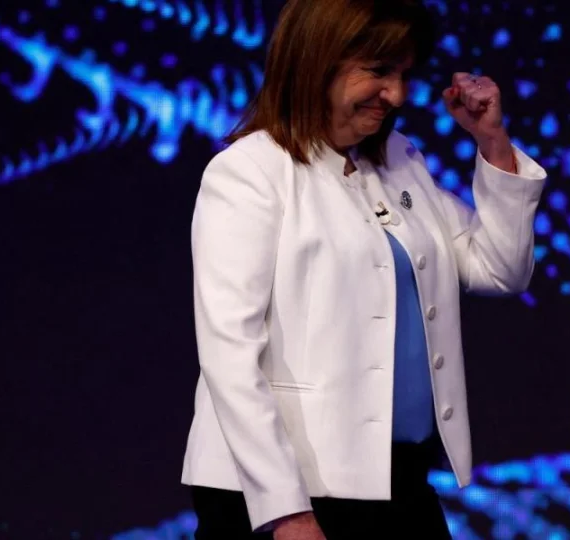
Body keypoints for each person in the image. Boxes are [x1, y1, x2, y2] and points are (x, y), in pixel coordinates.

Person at [180, 0, 548, 538]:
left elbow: (500, 269)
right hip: (280, 492)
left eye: (403, 75)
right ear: (317, 61)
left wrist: (492, 142)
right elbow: (229, 355)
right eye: (378, 71)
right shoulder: (248, 172)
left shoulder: (399, 160)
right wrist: (287, 512)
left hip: (396, 481)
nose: (395, 95)